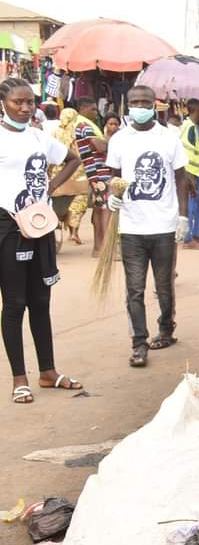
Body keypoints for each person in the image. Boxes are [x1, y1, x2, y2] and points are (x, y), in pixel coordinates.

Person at [0, 77, 84, 403]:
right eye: (16, 102)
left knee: (41, 301)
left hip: (41, 226)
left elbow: (73, 159)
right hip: (8, 227)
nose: (24, 108)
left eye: (29, 103)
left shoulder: (39, 136)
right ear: (2, 105)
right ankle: (19, 379)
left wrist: (49, 190)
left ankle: (48, 372)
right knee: (15, 303)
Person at [106, 85, 189, 367]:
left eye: (145, 101)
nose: (139, 106)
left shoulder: (169, 137)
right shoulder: (119, 140)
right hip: (131, 226)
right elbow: (114, 177)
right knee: (135, 289)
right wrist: (111, 198)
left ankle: (166, 327)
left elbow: (180, 178)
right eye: (134, 102)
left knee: (164, 286)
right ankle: (139, 343)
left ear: (155, 104)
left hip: (164, 224)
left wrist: (183, 216)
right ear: (127, 105)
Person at [72, 97, 110, 256]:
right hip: (99, 173)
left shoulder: (83, 124)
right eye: (93, 109)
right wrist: (113, 144)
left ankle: (98, 248)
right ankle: (104, 248)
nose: (96, 112)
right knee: (105, 210)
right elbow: (99, 146)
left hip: (95, 173)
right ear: (83, 108)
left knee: (99, 210)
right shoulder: (83, 125)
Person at [49, 108, 90, 247]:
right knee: (78, 204)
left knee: (57, 205)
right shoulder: (79, 132)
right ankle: (74, 233)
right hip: (78, 173)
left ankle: (58, 229)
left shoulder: (54, 133)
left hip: (59, 175)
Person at [179, 98, 199, 249]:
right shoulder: (188, 127)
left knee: (197, 205)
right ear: (196, 109)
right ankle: (188, 239)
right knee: (191, 205)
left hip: (197, 171)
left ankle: (195, 235)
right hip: (191, 173)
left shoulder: (194, 127)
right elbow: (187, 152)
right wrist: (188, 174)